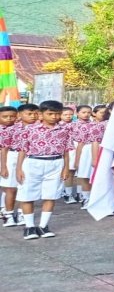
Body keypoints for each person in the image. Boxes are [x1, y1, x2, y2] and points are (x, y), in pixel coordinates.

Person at [16, 100, 72, 239]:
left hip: (55, 162)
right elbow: (23, 150)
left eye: (57, 114)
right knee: (27, 194)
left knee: (51, 195)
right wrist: (19, 168)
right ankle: (29, 227)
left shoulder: (64, 129)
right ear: (41, 114)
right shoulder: (29, 129)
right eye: (50, 113)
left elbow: (66, 150)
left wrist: (66, 168)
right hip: (33, 162)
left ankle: (43, 226)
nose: (54, 117)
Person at [1, 103, 39, 227]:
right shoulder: (12, 129)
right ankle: (9, 214)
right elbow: (4, 149)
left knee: (26, 187)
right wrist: (3, 166)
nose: (33, 116)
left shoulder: (39, 128)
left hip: (31, 158)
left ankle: (23, 213)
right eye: (29, 114)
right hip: (12, 157)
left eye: (35, 113)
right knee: (11, 188)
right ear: (20, 115)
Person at [75, 105, 108, 209]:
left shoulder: (108, 125)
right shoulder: (87, 126)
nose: (103, 115)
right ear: (95, 113)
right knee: (86, 175)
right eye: (101, 113)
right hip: (88, 150)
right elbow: (81, 143)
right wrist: (77, 160)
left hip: (104, 150)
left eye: (105, 113)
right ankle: (86, 198)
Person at [0, 105, 20, 226]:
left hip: (9, 159)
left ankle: (5, 210)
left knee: (9, 187)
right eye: (5, 117)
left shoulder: (18, 129)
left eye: (12, 116)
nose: (9, 119)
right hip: (4, 159)